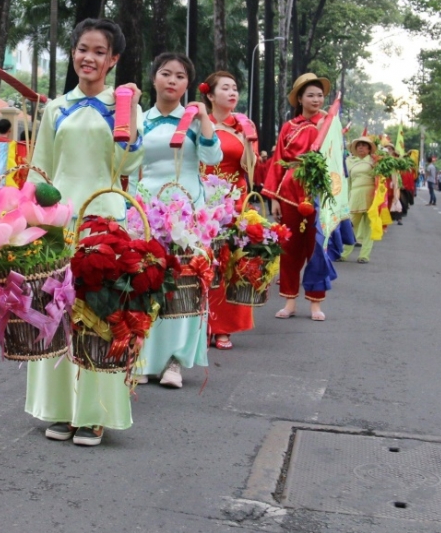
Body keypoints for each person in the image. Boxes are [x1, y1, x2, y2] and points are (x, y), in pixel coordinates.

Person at [25, 17, 142, 448]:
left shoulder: (124, 105)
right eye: (82, 49)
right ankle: (59, 409)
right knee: (55, 315)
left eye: (99, 52)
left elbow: (127, 166)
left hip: (105, 221)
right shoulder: (56, 108)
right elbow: (40, 168)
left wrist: (126, 116)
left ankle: (93, 414)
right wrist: (31, 218)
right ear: (72, 54)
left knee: (98, 318)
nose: (88, 58)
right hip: (59, 223)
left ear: (113, 60)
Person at [132, 53, 218, 386]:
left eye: (180, 76)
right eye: (165, 74)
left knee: (184, 284)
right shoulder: (142, 120)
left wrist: (205, 119)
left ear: (188, 84)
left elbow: (213, 156)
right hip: (147, 208)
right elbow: (129, 160)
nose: (172, 81)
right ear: (153, 79)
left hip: (188, 210)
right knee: (145, 280)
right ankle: (142, 356)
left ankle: (174, 362)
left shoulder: (194, 120)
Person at [200, 70, 259, 349]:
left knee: (230, 263)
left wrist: (248, 141)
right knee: (201, 261)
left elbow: (250, 170)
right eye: (225, 88)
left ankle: (223, 327)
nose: (232, 92)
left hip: (234, 201)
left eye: (235, 88)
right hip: (202, 202)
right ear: (210, 95)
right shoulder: (200, 123)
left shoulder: (244, 125)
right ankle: (200, 322)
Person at [264, 73, 330, 322]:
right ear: (299, 99)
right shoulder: (289, 127)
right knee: (289, 250)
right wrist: (274, 198)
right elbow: (277, 162)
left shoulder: (329, 125)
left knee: (316, 249)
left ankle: (315, 303)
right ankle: (289, 301)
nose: (316, 99)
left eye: (320, 95)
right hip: (290, 192)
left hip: (318, 193)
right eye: (310, 95)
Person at [341, 137, 377, 263]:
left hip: (371, 195)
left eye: (364, 145)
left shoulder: (375, 161)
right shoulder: (349, 161)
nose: (361, 147)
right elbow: (347, 181)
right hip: (355, 194)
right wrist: (346, 197)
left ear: (369, 149)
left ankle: (364, 255)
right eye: (358, 146)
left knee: (369, 227)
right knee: (350, 225)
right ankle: (344, 253)